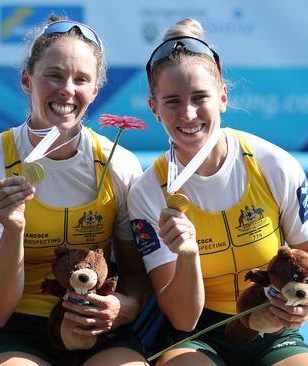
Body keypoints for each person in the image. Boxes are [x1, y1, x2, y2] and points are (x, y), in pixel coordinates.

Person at [0, 15, 150, 366]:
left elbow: (135, 275)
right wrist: (14, 229)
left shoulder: (120, 165)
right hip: (16, 330)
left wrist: (123, 307)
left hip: (98, 328)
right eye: (54, 76)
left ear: (94, 91)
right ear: (27, 80)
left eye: (81, 79)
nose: (67, 90)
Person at [128, 18, 308, 366]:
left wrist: (301, 306)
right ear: (154, 108)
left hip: (274, 330)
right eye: (173, 101)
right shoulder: (148, 192)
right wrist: (188, 252)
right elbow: (183, 320)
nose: (189, 114)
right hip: (195, 338)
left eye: (200, 98)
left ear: (223, 96)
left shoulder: (272, 164)